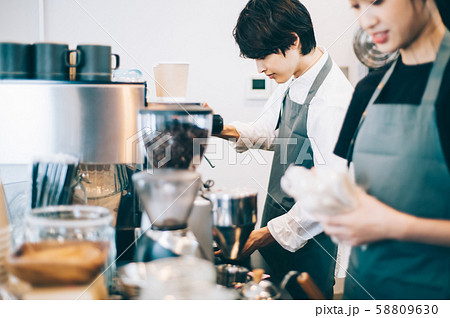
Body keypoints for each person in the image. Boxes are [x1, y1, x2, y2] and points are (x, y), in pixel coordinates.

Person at [213, 0, 354, 299]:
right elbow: (268, 132)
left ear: (293, 41)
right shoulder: (293, 79)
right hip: (278, 221)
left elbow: (332, 194)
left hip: (309, 237)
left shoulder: (332, 102)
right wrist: (214, 127)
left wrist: (266, 234)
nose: (260, 67)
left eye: (263, 55)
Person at [315, 0, 450, 299]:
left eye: (376, 2)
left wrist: (397, 226)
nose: (366, 20)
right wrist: (328, 193)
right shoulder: (367, 91)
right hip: (364, 290)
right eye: (356, 6)